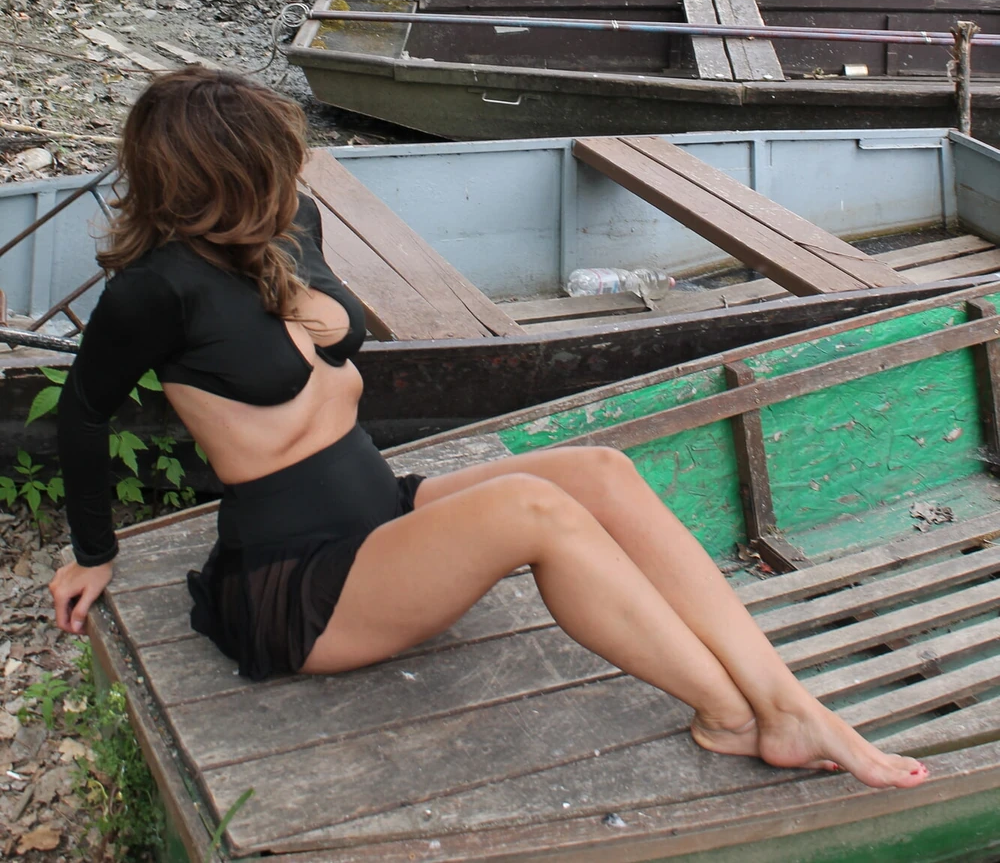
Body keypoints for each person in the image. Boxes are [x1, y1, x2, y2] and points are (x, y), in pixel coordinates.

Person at [50, 68, 928, 789]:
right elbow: (85, 414)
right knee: (530, 510)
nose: (299, 166)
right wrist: (93, 551)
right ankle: (733, 715)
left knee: (598, 474)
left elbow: (322, 317)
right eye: (279, 157)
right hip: (301, 589)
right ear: (221, 175)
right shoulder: (154, 291)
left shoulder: (292, 230)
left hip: (380, 519)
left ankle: (786, 702)